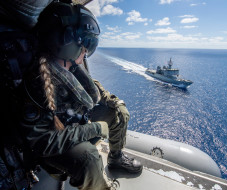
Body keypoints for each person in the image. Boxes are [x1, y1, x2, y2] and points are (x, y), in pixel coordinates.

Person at [18, 2, 142, 190]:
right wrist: (94, 129)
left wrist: (109, 99)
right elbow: (41, 142)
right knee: (89, 159)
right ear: (66, 42)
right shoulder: (37, 82)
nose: (86, 51)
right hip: (54, 145)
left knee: (118, 112)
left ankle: (115, 159)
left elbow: (89, 88)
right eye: (86, 43)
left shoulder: (70, 64)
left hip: (74, 123)